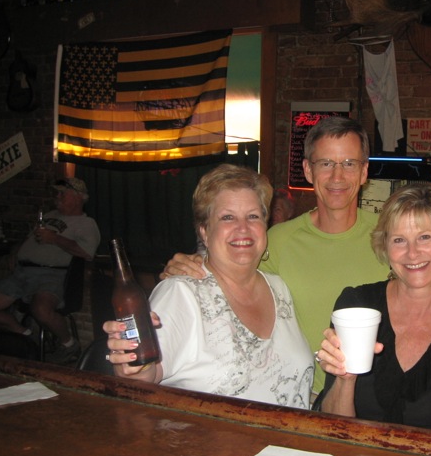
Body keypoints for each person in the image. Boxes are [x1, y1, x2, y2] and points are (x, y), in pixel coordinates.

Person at [161, 117, 431, 395]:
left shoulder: (390, 238)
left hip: (374, 395)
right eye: (326, 163)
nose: (337, 176)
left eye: (349, 163)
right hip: (300, 393)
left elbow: (429, 293)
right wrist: (191, 263)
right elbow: (231, 271)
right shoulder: (275, 241)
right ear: (308, 170)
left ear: (364, 172)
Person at [104, 164, 313, 409]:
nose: (243, 228)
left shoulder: (279, 288)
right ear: (204, 231)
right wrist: (131, 364)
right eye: (227, 217)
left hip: (294, 443)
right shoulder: (182, 293)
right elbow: (146, 377)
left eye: (253, 216)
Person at [315, 183, 431, 435]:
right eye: (399, 240)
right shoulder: (357, 304)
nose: (412, 253)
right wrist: (345, 378)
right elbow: (333, 428)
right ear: (386, 247)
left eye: (424, 237)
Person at [0, 177, 100, 364]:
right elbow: (29, 239)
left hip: (52, 274)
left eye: (62, 193)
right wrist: (16, 252)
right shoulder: (50, 215)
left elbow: (86, 252)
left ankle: (69, 344)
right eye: (56, 193)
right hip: (22, 273)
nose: (57, 197)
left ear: (77, 198)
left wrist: (55, 239)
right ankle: (27, 336)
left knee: (41, 309)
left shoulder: (86, 224)